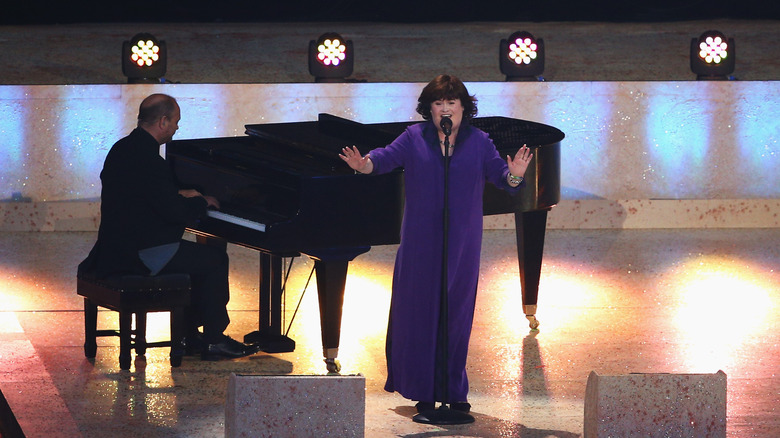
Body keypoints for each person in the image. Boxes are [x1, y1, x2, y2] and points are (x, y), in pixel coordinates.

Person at [339, 74, 534, 413]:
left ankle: (454, 389)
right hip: (420, 242)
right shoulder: (414, 138)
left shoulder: (480, 142)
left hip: (462, 244)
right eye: (438, 104)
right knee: (420, 314)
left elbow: (504, 180)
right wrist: (364, 165)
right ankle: (423, 390)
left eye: (451, 103)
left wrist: (515, 172)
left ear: (463, 108)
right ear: (429, 110)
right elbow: (383, 159)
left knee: (455, 315)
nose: (445, 109)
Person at [78, 93, 259, 361]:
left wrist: (178, 193)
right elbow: (173, 212)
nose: (177, 127)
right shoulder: (150, 161)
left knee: (196, 259)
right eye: (175, 121)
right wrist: (201, 202)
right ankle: (213, 339)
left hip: (113, 248)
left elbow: (145, 196)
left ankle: (187, 334)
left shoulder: (123, 148)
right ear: (162, 121)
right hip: (139, 253)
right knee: (214, 259)